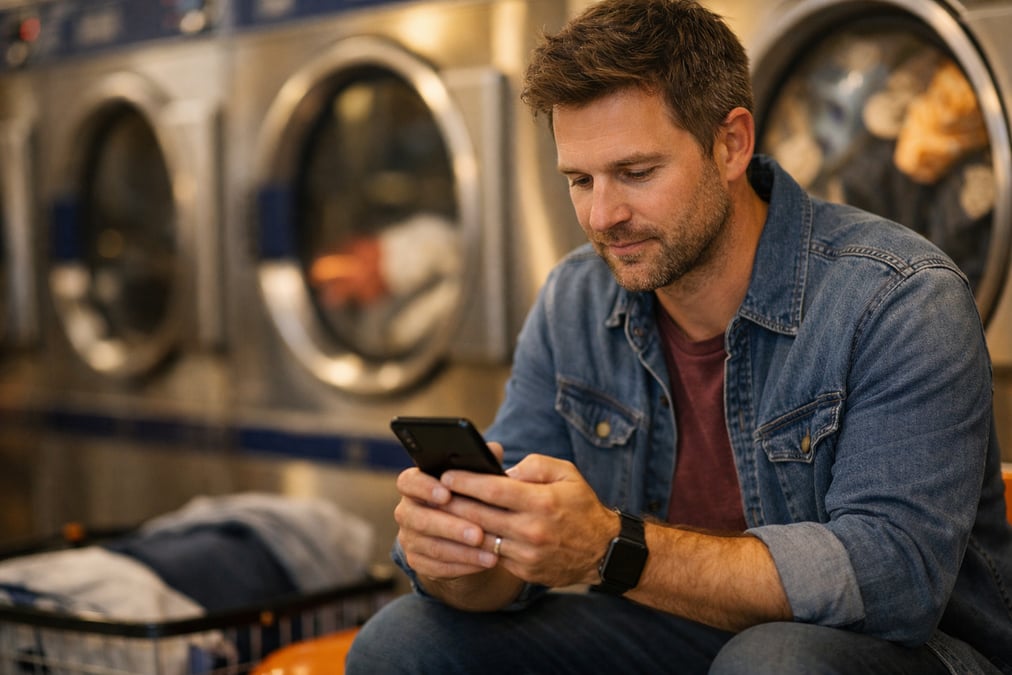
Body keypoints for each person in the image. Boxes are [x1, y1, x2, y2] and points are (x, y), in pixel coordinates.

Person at [346, 1, 1012, 673]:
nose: (604, 216)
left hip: (904, 654)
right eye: (580, 180)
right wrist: (458, 553)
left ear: (731, 144)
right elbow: (510, 566)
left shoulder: (900, 297)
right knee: (403, 638)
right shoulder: (575, 299)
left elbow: (894, 582)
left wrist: (612, 545)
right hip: (674, 637)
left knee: (773, 662)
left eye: (637, 173)